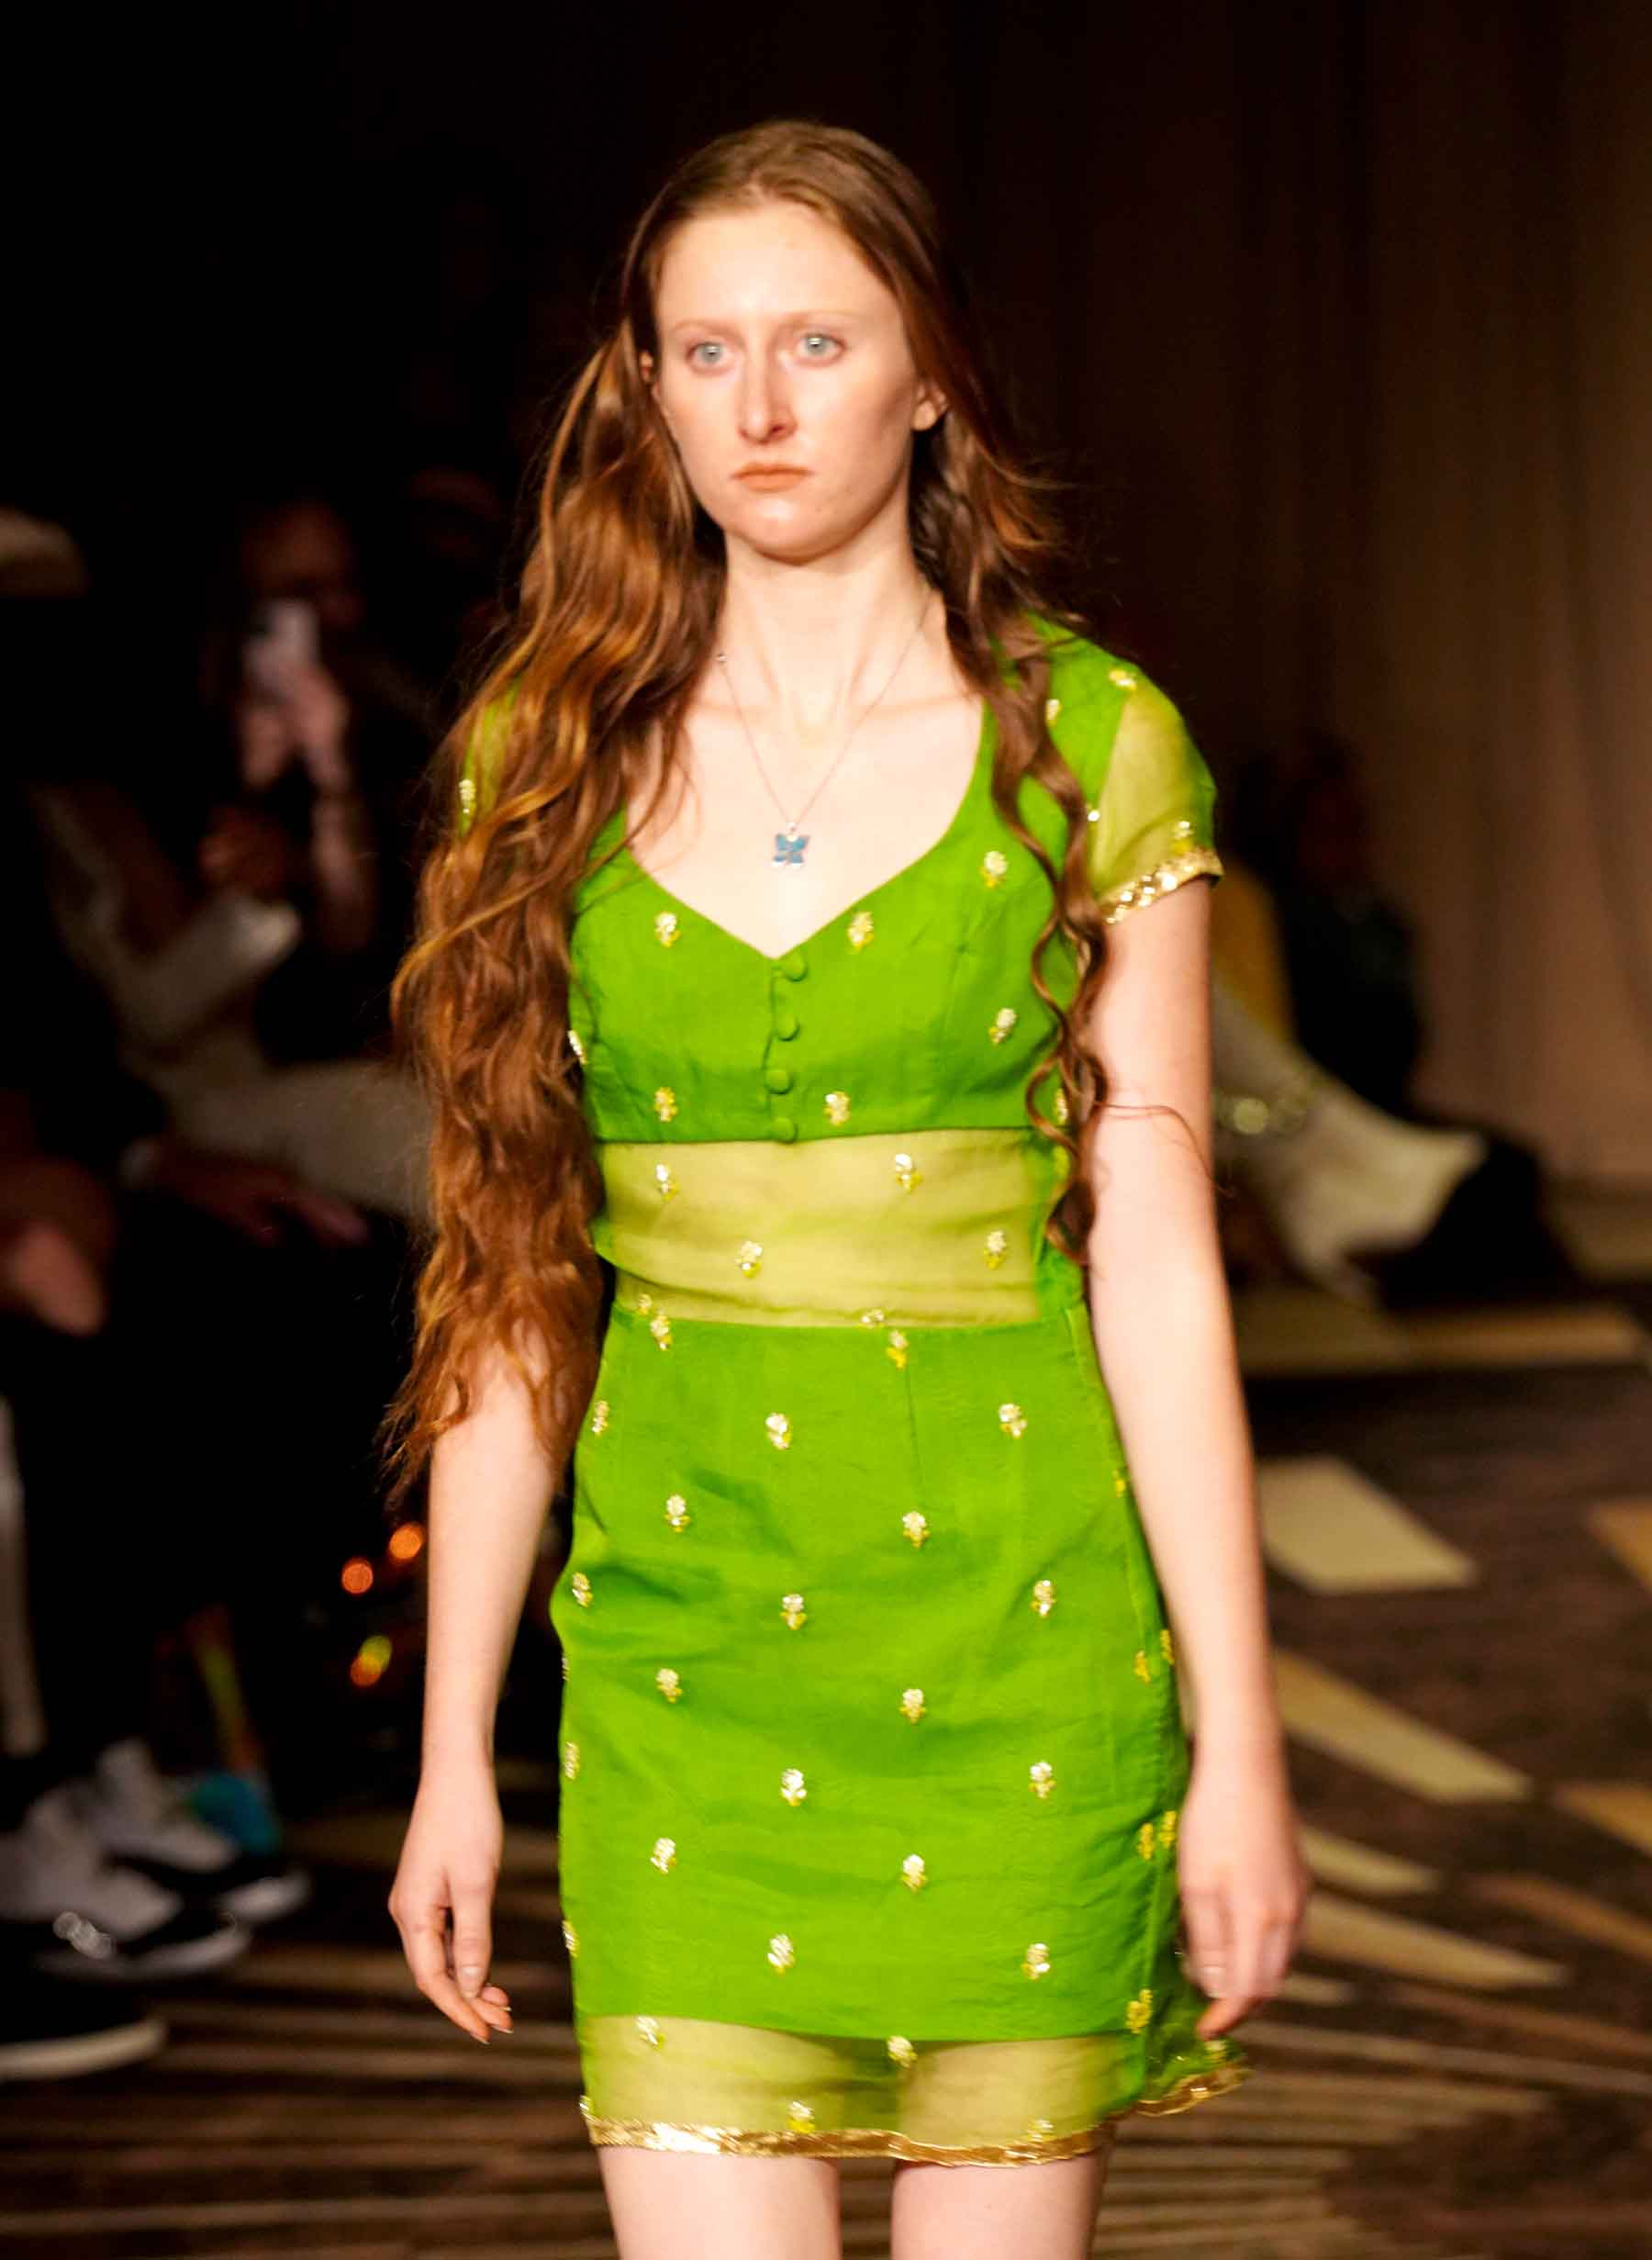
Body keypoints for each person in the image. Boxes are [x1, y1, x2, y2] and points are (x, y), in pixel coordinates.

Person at [387, 121, 1309, 2259]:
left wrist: (1243, 1732)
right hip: (684, 1674)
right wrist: (450, 1750)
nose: (763, 405)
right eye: (706, 352)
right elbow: (511, 1283)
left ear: (931, 380)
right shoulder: (546, 764)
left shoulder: (1088, 745)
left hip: (1021, 1643)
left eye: (819, 341)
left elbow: (1157, 1262)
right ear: (647, 388)